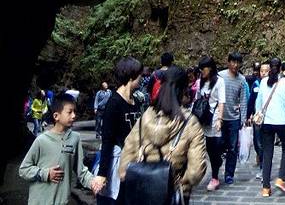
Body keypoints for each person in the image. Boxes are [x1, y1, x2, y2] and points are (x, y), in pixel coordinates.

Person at [119, 65, 206, 203]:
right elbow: (196, 171)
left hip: (141, 194)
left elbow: (125, 163)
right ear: (184, 89)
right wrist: (180, 186)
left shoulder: (145, 118)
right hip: (171, 195)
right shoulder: (190, 122)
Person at [19, 92, 101, 204]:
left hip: (62, 201)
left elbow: (81, 171)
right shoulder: (41, 140)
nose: (74, 116)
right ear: (56, 116)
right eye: (69, 112)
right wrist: (46, 174)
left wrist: (93, 182)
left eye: (74, 112)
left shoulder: (75, 138)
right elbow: (24, 169)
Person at [94, 56, 143, 203]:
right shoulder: (114, 103)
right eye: (139, 76)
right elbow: (107, 140)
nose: (141, 79)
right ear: (130, 77)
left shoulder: (136, 101)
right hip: (117, 164)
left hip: (134, 163)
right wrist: (102, 173)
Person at [255, 57, 285, 197]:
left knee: (267, 153)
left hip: (267, 122)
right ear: (280, 68)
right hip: (283, 122)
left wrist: (257, 115)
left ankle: (266, 188)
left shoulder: (262, 82)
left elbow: (259, 102)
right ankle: (281, 178)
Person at [194, 56, 225, 192]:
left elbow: (221, 102)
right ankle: (215, 166)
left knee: (215, 147)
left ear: (210, 68)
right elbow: (197, 100)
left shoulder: (219, 82)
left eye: (203, 69)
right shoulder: (199, 81)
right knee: (207, 148)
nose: (201, 71)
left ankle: (215, 177)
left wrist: (220, 119)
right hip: (202, 119)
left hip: (214, 119)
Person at [219, 51, 248, 185]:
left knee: (232, 148)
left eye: (238, 62)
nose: (235, 65)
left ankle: (229, 174)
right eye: (233, 62)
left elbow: (243, 100)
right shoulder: (220, 76)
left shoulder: (242, 80)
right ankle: (216, 168)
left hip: (234, 119)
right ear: (228, 62)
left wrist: (243, 119)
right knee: (217, 145)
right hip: (219, 118)